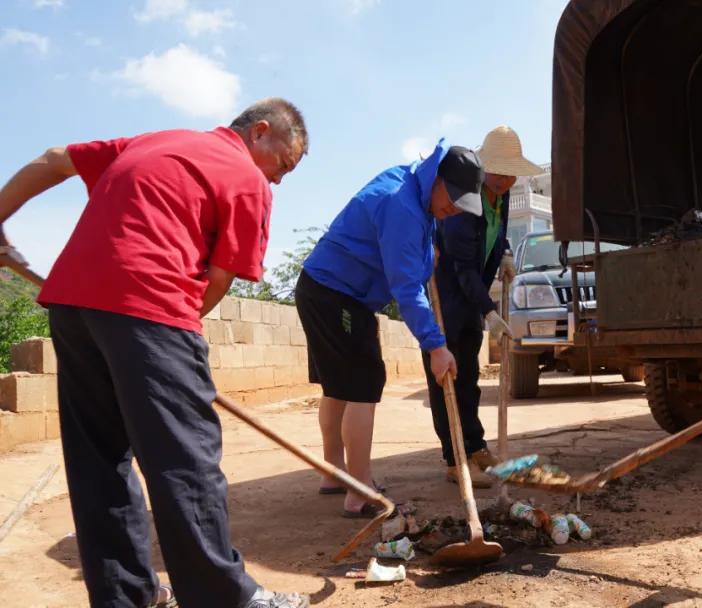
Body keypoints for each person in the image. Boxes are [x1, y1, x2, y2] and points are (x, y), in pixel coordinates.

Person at [0, 99, 310, 608]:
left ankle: (127, 595)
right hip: (150, 306)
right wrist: (177, 339)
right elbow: (215, 283)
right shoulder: (247, 178)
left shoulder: (154, 141)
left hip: (73, 305)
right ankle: (224, 600)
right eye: (285, 165)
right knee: (185, 460)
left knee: (100, 460)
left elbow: (54, 158)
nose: (278, 181)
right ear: (261, 133)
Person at [297, 140, 483, 516]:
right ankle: (360, 489)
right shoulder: (403, 207)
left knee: (338, 387)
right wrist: (435, 346)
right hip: (338, 295)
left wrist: (426, 254)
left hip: (321, 289)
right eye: (453, 200)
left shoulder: (412, 189)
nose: (452, 211)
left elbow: (408, 254)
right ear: (439, 179)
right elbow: (406, 289)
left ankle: (336, 474)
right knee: (363, 384)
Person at [423, 125, 543, 487]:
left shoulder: (500, 196)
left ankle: (475, 447)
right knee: (447, 381)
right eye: (500, 170)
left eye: (511, 172)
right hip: (449, 296)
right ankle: (454, 457)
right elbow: (460, 267)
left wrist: (505, 252)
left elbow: (497, 231)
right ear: (484, 166)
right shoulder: (464, 200)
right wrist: (489, 310)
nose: (507, 179)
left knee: (470, 380)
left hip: (472, 295)